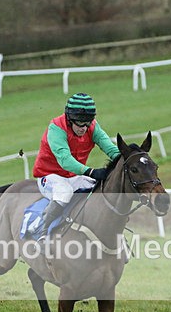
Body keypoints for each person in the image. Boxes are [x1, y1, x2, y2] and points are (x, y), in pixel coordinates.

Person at [32, 92, 121, 233]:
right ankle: (41, 229)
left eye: (87, 122)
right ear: (69, 119)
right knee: (64, 192)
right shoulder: (56, 128)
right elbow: (65, 160)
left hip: (73, 177)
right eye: (80, 123)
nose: (84, 128)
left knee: (101, 187)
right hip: (49, 176)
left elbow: (110, 148)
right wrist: (91, 172)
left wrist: (126, 157)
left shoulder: (92, 127)